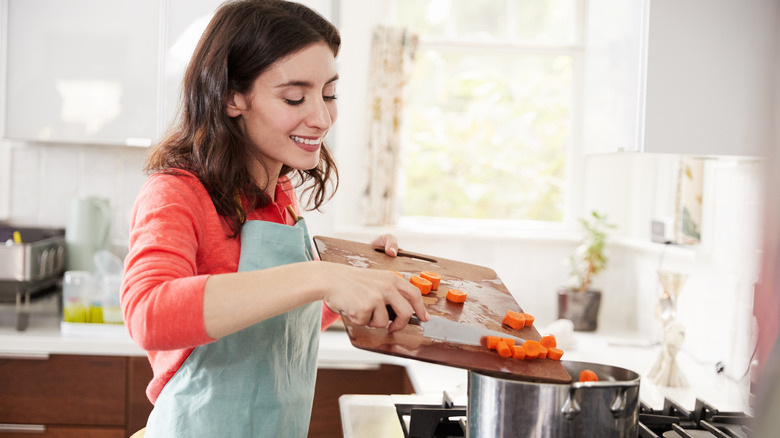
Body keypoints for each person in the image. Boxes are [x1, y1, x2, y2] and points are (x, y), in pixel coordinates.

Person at [120, 1, 429, 436]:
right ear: (232, 97)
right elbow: (148, 314)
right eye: (295, 97)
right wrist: (322, 277)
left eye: (329, 93)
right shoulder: (177, 192)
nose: (322, 117)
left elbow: (274, 325)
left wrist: (356, 281)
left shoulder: (278, 193)